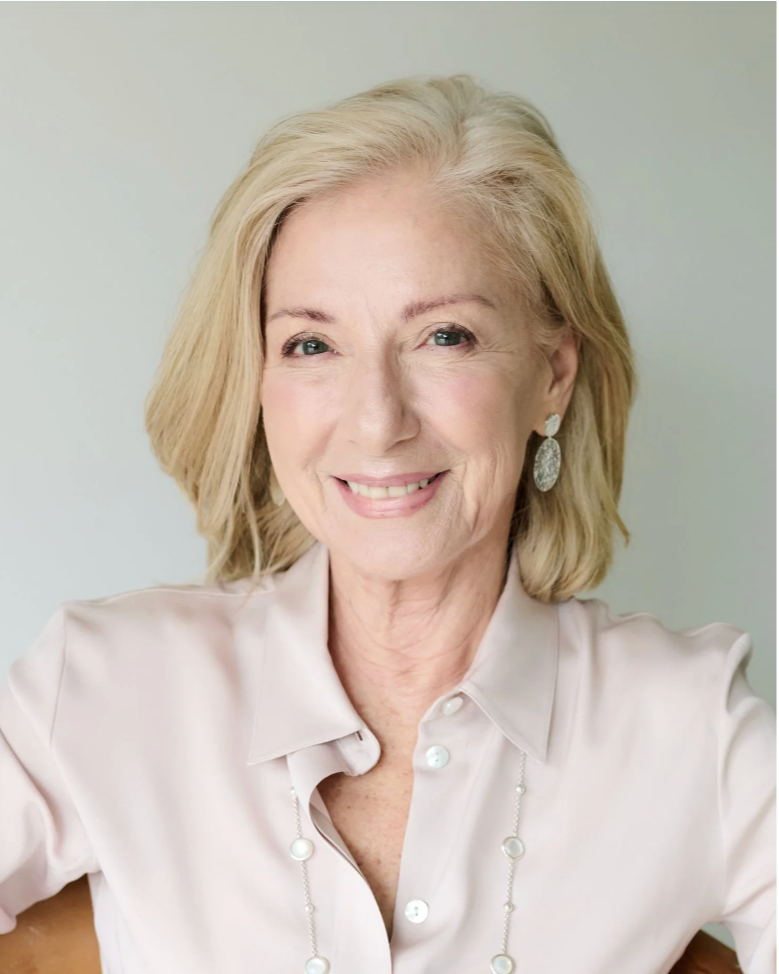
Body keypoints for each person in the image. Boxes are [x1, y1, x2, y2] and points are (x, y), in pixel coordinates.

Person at [0, 74, 774, 974]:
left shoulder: (687, 727)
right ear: (256, 380)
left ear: (552, 375)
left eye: (444, 335)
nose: (376, 420)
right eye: (312, 344)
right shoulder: (101, 687)